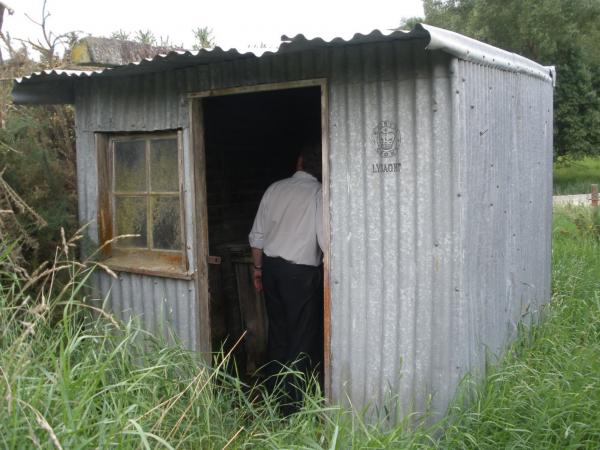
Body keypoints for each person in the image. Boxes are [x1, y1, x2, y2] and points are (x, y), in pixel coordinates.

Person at [248, 142, 323, 414]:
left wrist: (258, 270)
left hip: (271, 269)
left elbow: (257, 236)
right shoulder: (318, 193)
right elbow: (325, 240)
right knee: (301, 337)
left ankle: (273, 396)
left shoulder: (274, 188)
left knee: (278, 333)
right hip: (301, 274)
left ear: (300, 161)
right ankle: (293, 408)